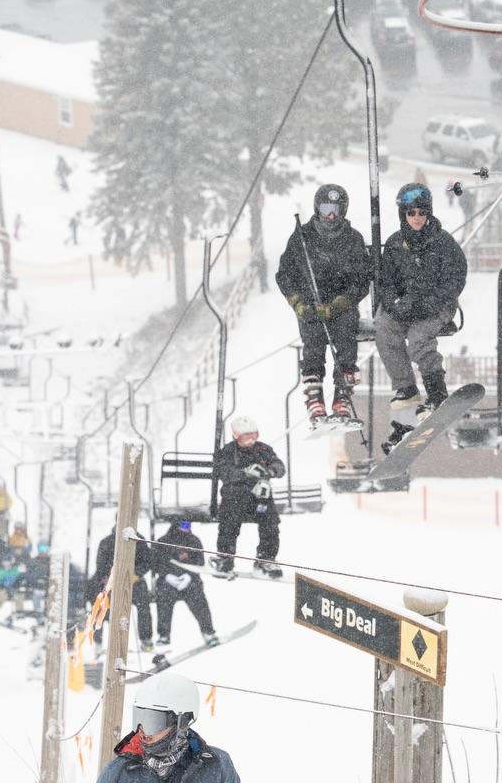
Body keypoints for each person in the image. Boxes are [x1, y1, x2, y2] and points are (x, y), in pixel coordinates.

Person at [375, 183, 467, 443]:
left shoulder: (442, 243)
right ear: (403, 214)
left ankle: (437, 392)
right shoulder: (395, 244)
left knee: (418, 339)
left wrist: (431, 303)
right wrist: (395, 303)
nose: (417, 218)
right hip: (405, 304)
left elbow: (455, 278)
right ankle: (405, 387)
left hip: (435, 305)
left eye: (421, 213)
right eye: (411, 213)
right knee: (384, 327)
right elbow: (387, 281)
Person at [274, 184, 372, 425]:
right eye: (327, 209)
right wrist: (297, 302)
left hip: (341, 305)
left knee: (346, 341)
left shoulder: (353, 238)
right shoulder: (302, 237)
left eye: (336, 210)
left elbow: (362, 278)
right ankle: (314, 397)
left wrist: (343, 301)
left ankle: (342, 396)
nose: (331, 216)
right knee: (313, 341)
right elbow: (285, 274)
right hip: (311, 302)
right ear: (318, 208)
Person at [96, 671, 240, 783]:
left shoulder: (215, 764)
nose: (143, 731)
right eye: (139, 718)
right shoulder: (119, 772)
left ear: (181, 722)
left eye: (154, 721)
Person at [210, 415, 285, 578]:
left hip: (258, 499)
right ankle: (225, 557)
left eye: (254, 436)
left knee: (270, 522)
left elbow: (279, 466)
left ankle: (266, 559)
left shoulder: (263, 450)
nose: (251, 441)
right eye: (246, 437)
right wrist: (245, 473)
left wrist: (270, 471)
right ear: (236, 436)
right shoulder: (228, 452)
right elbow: (224, 472)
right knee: (229, 521)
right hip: (235, 499)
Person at [89, 528, 157, 652]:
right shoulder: (107, 542)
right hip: (112, 582)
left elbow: (147, 562)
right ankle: (98, 642)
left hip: (134, 581)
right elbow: (100, 566)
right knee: (102, 605)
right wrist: (112, 578)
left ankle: (146, 638)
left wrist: (136, 574)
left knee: (144, 605)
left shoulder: (139, 541)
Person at [153, 521, 218, 647]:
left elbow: (199, 562)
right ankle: (164, 634)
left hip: (189, 581)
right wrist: (167, 575)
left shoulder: (194, 541)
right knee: (163, 599)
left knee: (199, 600)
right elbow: (156, 563)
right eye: (183, 525)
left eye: (188, 525)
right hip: (169, 581)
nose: (186, 528)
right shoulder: (162, 541)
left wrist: (189, 576)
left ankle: (208, 632)